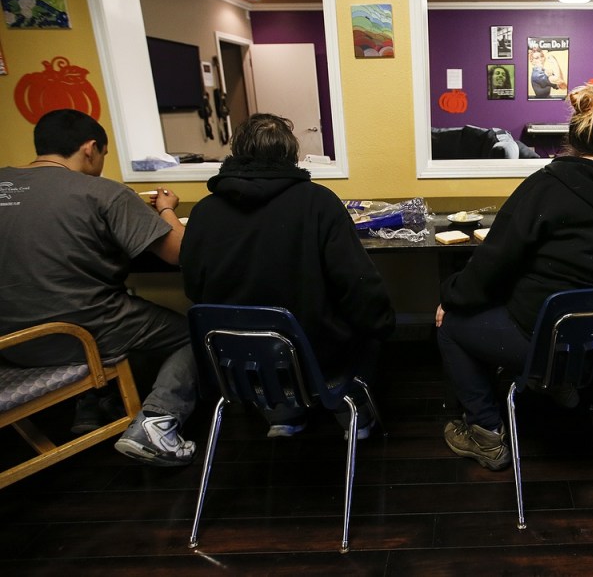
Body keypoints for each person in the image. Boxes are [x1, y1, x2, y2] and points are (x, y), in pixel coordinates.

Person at [436, 84, 593, 470]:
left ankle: (486, 434)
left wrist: (450, 297)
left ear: (571, 142)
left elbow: (491, 264)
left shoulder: (545, 188)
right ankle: (563, 383)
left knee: (453, 325)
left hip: (550, 340)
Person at [0, 109, 198, 466]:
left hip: (8, 343)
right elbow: (179, 254)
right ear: (91, 148)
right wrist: (166, 210)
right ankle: (156, 423)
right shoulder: (102, 192)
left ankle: (90, 404)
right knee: (195, 334)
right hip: (78, 333)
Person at [180, 113, 395, 438]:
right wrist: (383, 323)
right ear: (291, 154)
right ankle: (352, 413)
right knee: (371, 326)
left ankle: (282, 412)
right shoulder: (319, 203)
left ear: (237, 152)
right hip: (317, 358)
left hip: (235, 363)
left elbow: (194, 286)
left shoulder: (203, 211)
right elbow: (357, 284)